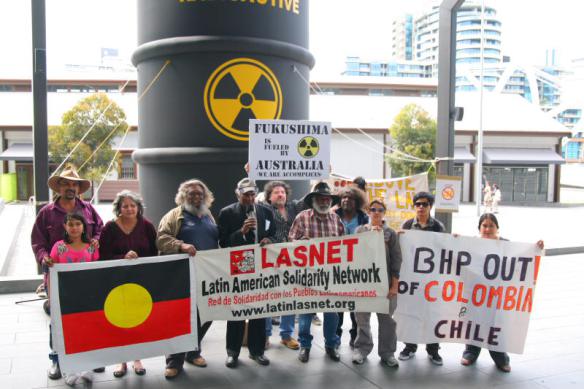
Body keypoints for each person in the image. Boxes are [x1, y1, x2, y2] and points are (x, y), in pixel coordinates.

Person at [30, 165, 103, 380]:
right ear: (58, 187)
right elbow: (37, 241)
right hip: (57, 277)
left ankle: (91, 358)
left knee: (88, 318)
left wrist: (96, 239)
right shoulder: (46, 213)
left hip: (86, 278)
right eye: (66, 183)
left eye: (74, 184)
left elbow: (100, 228)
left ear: (79, 188)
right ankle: (57, 361)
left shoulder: (89, 209)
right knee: (58, 321)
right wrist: (45, 257)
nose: (70, 187)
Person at [459, 213, 544, 373]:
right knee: (473, 324)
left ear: (497, 228)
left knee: (496, 325)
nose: (488, 229)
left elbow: (522, 258)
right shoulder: (471, 243)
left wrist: (536, 248)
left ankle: (500, 358)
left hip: (497, 296)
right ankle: (471, 353)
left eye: (491, 225)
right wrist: (454, 240)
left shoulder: (506, 245)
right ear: (479, 228)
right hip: (475, 294)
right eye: (484, 225)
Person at [157, 179, 218, 379]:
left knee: (206, 314)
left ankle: (193, 351)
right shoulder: (175, 215)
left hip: (206, 275)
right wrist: (181, 245)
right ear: (184, 195)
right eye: (191, 193)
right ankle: (174, 361)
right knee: (180, 319)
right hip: (182, 275)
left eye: (199, 193)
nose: (196, 197)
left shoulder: (208, 215)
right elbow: (161, 238)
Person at [99, 190, 157, 378]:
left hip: (141, 281)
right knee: (119, 320)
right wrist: (122, 257)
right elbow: (103, 256)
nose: (130, 209)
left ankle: (137, 359)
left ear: (138, 207)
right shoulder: (109, 228)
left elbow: (155, 252)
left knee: (138, 320)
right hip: (116, 282)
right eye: (125, 206)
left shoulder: (147, 226)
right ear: (118, 208)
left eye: (133, 205)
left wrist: (139, 259)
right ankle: (121, 360)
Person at [218, 178, 275, 368]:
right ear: (238, 194)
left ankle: (257, 351)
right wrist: (241, 232)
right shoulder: (227, 213)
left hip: (261, 265)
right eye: (245, 195)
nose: (250, 198)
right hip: (239, 264)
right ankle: (232, 352)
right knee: (238, 310)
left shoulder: (266, 211)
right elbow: (223, 242)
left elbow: (273, 232)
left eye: (252, 194)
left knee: (259, 309)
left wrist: (269, 239)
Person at [289, 182, 344, 363]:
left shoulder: (336, 220)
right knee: (305, 312)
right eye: (320, 198)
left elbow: (346, 246)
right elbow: (290, 243)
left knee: (332, 313)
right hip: (307, 276)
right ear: (313, 200)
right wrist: (300, 242)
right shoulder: (302, 217)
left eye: (327, 198)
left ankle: (331, 345)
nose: (324, 201)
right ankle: (305, 346)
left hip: (331, 276)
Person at [45, 213, 100, 386]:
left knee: (87, 332)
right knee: (67, 333)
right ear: (65, 227)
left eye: (78, 224)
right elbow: (51, 272)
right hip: (64, 297)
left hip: (86, 297)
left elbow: (98, 271)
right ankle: (69, 369)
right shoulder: (59, 247)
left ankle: (87, 367)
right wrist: (52, 295)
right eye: (71, 224)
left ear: (84, 227)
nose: (74, 227)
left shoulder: (91, 247)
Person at [352, 199, 401, 367]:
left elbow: (396, 260)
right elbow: (354, 255)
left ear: (384, 212)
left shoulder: (391, 233)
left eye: (380, 209)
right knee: (362, 319)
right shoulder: (360, 230)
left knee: (387, 321)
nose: (376, 212)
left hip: (385, 285)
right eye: (373, 209)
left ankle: (387, 353)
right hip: (364, 284)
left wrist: (394, 285)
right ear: (368, 212)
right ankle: (362, 350)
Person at [398, 191, 445, 366]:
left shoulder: (438, 226)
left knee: (432, 314)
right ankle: (410, 347)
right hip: (412, 279)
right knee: (412, 313)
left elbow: (444, 250)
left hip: (431, 280)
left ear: (430, 206)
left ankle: (433, 350)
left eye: (424, 204)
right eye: (418, 204)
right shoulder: (408, 224)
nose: (421, 207)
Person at [262, 181, 300, 350]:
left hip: (292, 260)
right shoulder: (263, 210)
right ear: (269, 196)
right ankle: (265, 335)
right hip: (270, 259)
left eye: (283, 192)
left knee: (290, 297)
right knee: (268, 297)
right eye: (276, 192)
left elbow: (311, 199)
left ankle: (286, 335)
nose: (280, 194)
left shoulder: (293, 208)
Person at [335, 186, 369, 348]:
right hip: (336, 268)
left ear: (358, 202)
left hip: (357, 268)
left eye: (350, 198)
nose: (346, 200)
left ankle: (355, 335)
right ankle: (335, 336)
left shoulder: (365, 219)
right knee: (337, 304)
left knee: (355, 305)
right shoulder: (332, 216)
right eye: (343, 197)